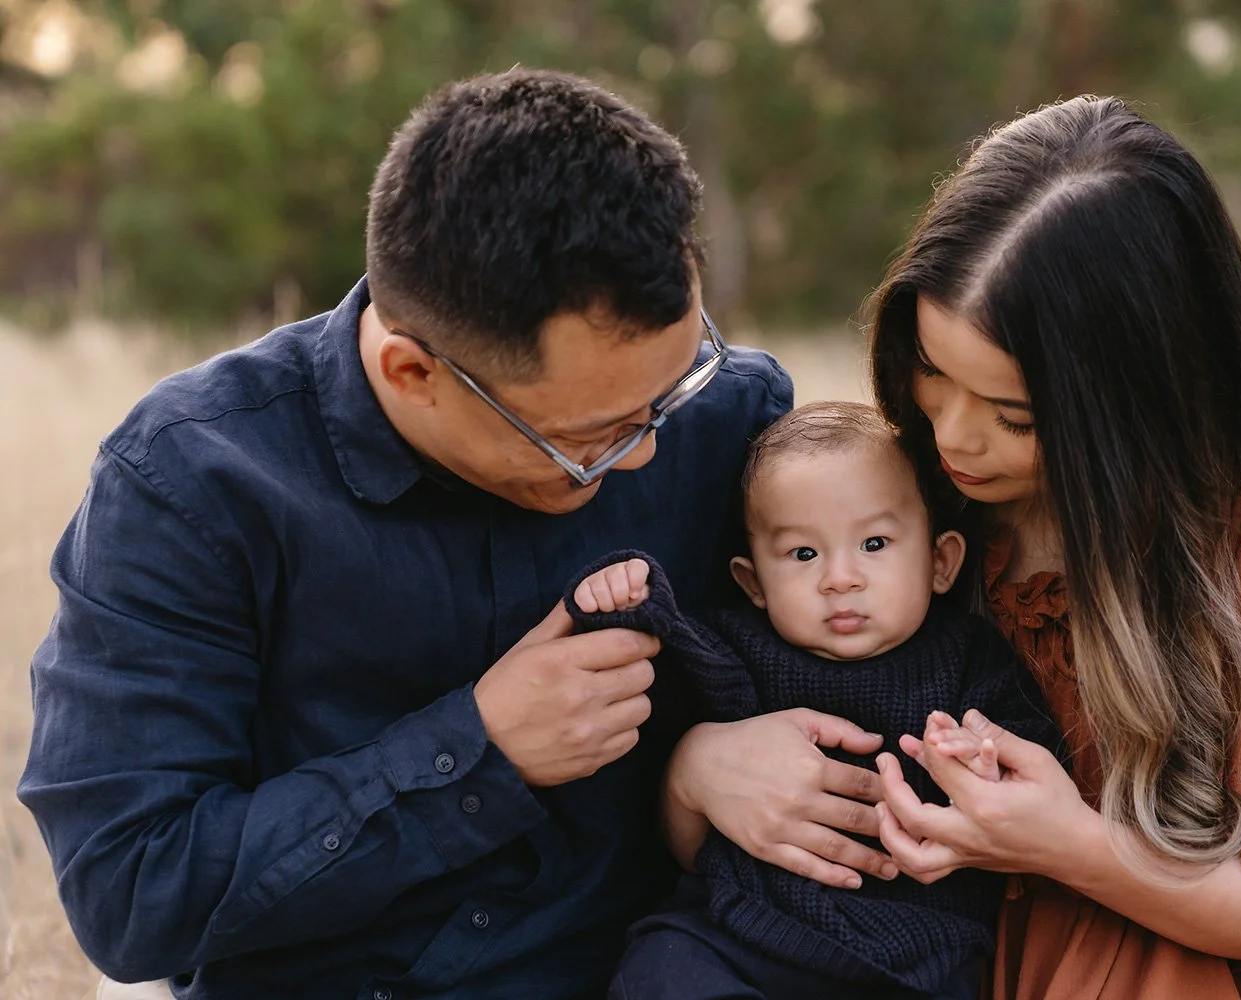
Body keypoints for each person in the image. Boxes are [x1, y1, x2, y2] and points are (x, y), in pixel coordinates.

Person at [18, 69, 797, 1000]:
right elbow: (133, 889)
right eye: (592, 437)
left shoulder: (732, 419)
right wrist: (477, 750)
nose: (649, 453)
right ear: (411, 372)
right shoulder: (190, 482)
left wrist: (706, 766)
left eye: (673, 389)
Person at [852, 95, 1241, 999]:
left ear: (1138, 408)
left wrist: (1072, 845)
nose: (953, 436)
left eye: (1015, 417)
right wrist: (701, 771)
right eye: (930, 371)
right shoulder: (900, 507)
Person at [564, 402, 1063, 999]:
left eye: (874, 543)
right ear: (754, 583)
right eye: (804, 554)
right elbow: (652, 679)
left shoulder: (972, 659)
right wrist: (622, 602)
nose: (840, 578)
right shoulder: (734, 651)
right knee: (659, 968)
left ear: (940, 562)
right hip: (743, 929)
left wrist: (984, 763)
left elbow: (1034, 757)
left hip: (917, 948)